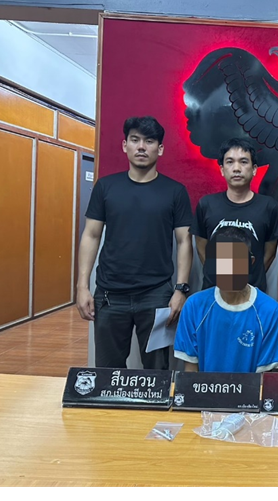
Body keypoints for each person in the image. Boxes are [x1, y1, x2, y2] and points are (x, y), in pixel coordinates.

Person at [76, 116, 193, 370]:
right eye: (135, 140)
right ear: (125, 145)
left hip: (156, 295)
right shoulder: (106, 187)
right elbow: (91, 235)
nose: (141, 147)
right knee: (108, 372)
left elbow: (184, 241)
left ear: (160, 149)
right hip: (109, 294)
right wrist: (82, 286)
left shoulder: (175, 191)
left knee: (157, 372)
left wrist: (181, 290)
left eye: (149, 141)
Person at [174, 226, 278, 373]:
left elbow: (264, 379)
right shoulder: (194, 306)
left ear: (250, 262)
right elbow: (190, 372)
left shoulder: (270, 311)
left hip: (250, 388)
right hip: (204, 387)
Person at [190, 137, 278, 294]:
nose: (236, 168)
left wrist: (250, 276)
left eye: (243, 162)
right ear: (222, 169)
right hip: (213, 292)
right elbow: (201, 247)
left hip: (252, 293)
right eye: (230, 162)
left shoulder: (269, 206)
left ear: (254, 169)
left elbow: (269, 253)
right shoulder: (206, 204)